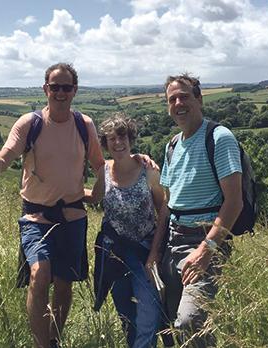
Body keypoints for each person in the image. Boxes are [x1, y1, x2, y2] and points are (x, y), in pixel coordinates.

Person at [0, 63, 105, 348]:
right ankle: (42, 345)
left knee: (64, 283)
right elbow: (1, 164)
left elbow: (101, 166)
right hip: (36, 217)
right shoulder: (30, 123)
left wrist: (129, 169)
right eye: (55, 87)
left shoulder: (84, 125)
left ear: (75, 90)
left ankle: (54, 339)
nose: (60, 93)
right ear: (45, 89)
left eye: (66, 87)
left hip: (74, 217)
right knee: (40, 273)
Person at [159, 74, 243, 347]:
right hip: (172, 244)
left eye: (184, 96)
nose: (178, 103)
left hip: (202, 241)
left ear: (199, 99)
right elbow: (166, 203)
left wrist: (206, 250)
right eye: (172, 99)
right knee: (169, 324)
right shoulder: (172, 145)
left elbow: (234, 202)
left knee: (189, 321)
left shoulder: (218, 138)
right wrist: (154, 252)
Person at [84, 114, 168, 348]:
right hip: (114, 253)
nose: (118, 143)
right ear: (105, 143)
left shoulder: (148, 171)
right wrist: (60, 189)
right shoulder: (104, 170)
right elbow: (94, 196)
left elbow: (163, 210)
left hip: (144, 251)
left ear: (131, 139)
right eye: (111, 139)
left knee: (149, 310)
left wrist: (155, 254)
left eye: (122, 137)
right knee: (125, 312)